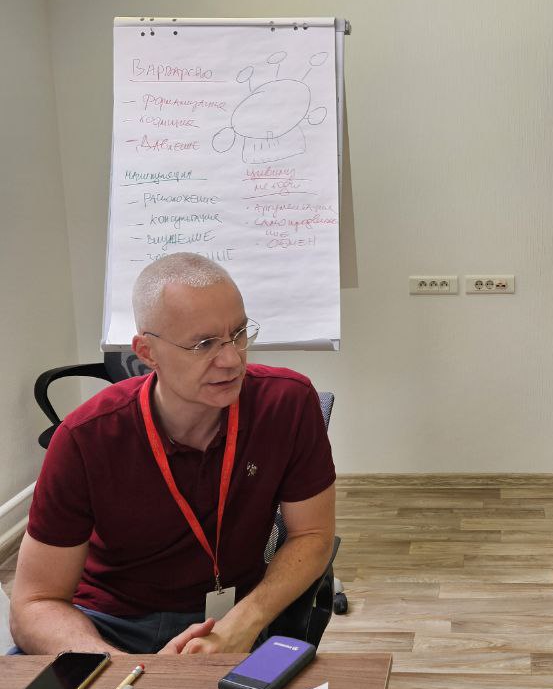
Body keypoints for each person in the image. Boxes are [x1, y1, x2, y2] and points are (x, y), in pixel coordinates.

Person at [10, 254, 336, 656]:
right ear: (147, 352)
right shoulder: (85, 438)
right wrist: (125, 672)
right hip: (107, 626)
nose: (232, 359)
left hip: (233, 618)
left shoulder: (287, 403)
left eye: (238, 334)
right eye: (204, 344)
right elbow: (35, 603)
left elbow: (312, 535)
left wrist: (241, 626)